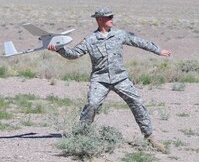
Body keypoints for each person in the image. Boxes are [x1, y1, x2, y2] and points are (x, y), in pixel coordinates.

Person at [48, 8, 171, 152]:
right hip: (100, 80)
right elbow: (74, 54)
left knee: (137, 103)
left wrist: (158, 50)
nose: (112, 18)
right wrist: (59, 49)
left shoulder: (120, 35)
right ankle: (80, 137)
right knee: (92, 105)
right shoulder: (90, 39)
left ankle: (149, 137)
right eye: (108, 17)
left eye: (112, 16)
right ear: (99, 20)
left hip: (121, 78)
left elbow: (139, 42)